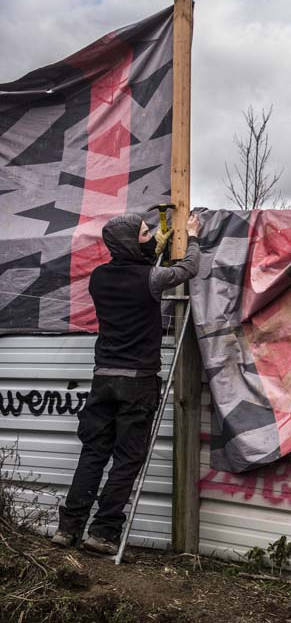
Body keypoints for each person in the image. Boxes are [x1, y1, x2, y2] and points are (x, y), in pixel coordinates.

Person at [52, 212, 201, 554]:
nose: (150, 237)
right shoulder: (150, 278)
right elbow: (186, 270)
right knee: (127, 458)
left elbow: (139, 266)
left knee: (93, 454)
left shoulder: (98, 278)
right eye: (145, 233)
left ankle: (67, 529)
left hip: (103, 379)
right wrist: (191, 237)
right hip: (137, 382)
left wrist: (156, 244)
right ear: (132, 242)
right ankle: (102, 533)